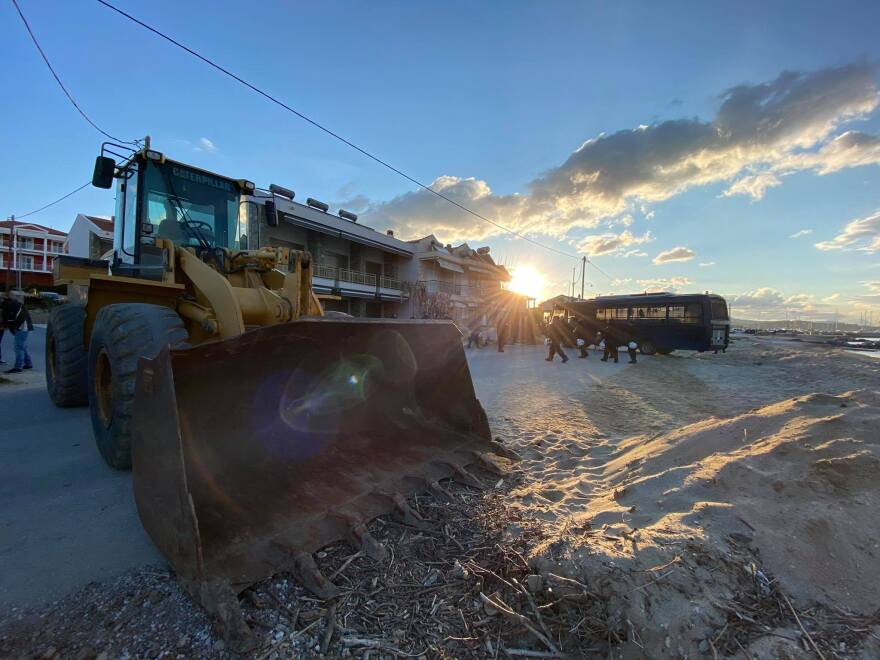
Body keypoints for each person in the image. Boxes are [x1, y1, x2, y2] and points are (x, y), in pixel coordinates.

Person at [1, 296, 33, 373]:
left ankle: (18, 367)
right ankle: (28, 363)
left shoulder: (7, 307)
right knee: (21, 346)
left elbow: (9, 320)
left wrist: (5, 326)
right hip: (25, 325)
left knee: (18, 347)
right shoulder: (15, 304)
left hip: (22, 327)